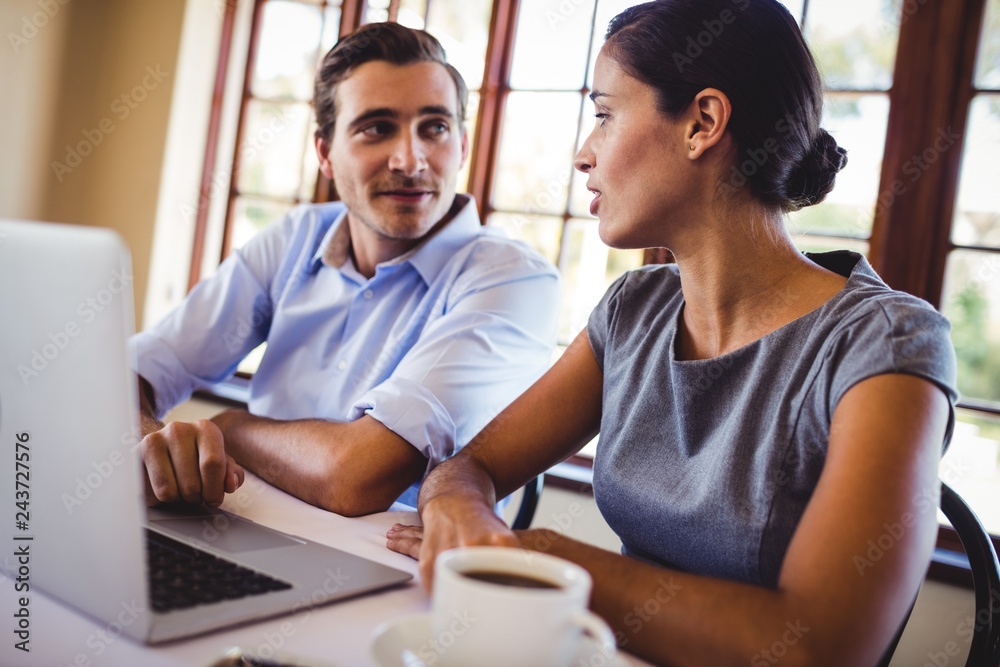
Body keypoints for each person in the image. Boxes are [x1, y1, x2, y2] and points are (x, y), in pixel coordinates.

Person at [385, 1, 957, 664]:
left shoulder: (886, 343)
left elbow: (816, 648)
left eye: (603, 114)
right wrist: (463, 508)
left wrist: (541, 556)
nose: (583, 153)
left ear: (702, 123)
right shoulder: (633, 309)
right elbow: (470, 465)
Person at [131, 22, 560, 517]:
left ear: (462, 144)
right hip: (246, 523)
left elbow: (355, 477)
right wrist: (150, 442)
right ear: (325, 154)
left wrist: (230, 429)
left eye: (435, 127)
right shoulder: (295, 238)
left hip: (390, 569)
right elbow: (125, 374)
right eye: (377, 127)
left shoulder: (514, 279)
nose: (410, 159)